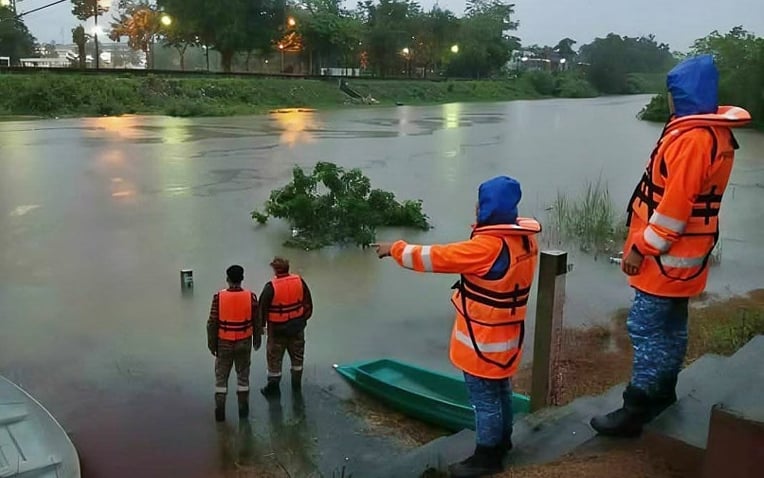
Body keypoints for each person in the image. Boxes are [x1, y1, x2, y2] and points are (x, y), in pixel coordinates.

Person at [590, 55, 751, 437]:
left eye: (672, 94)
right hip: (686, 259)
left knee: (645, 328)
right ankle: (663, 394)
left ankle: (636, 407)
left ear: (682, 94)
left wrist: (639, 248)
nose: (670, 101)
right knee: (673, 327)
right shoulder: (714, 134)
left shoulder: (693, 141)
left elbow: (673, 212)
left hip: (664, 259)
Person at [373, 176, 541, 478]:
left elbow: (436, 257)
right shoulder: (525, 240)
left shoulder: (486, 248)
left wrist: (394, 248)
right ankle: (502, 443)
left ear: (488, 208)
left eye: (480, 203)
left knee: (484, 401)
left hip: (482, 339)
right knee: (500, 391)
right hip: (509, 334)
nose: (476, 208)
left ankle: (486, 458)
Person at [207, 265, 261, 422]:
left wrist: (212, 344)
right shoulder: (251, 297)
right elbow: (257, 322)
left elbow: (212, 323)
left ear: (227, 279)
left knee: (221, 379)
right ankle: (243, 414)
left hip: (223, 342)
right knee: (243, 377)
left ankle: (220, 415)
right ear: (242, 279)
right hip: (244, 342)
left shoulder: (218, 297)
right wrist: (257, 340)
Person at [258, 257, 313, 398]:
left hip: (277, 331)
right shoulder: (299, 281)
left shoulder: (271, 286)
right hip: (297, 328)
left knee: (274, 360)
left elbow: (261, 308)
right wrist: (302, 319)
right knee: (297, 359)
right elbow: (308, 303)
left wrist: (261, 327)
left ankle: (273, 390)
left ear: (275, 270)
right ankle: (296, 387)